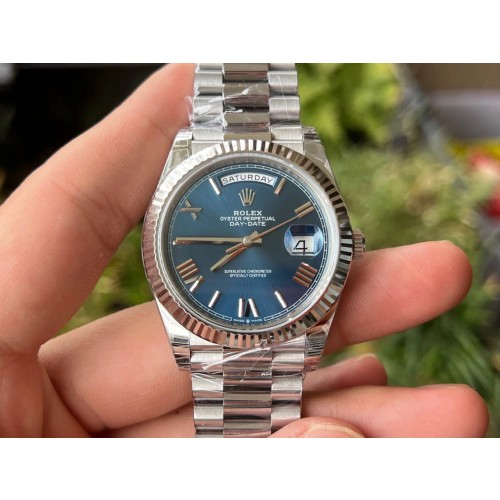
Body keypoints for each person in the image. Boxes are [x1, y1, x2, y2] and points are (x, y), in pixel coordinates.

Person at [0, 64, 489, 438]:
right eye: (246, 240)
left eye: (255, 239)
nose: (251, 241)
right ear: (156, 245)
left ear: (348, 244)